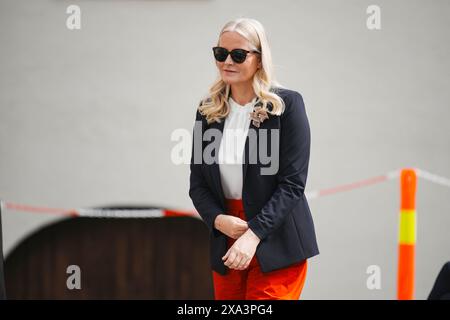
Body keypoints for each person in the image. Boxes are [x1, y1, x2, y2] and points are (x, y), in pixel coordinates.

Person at [189, 17, 319, 300]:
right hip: (227, 237)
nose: (227, 62)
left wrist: (253, 235)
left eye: (238, 54)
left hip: (277, 236)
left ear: (260, 59)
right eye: (220, 54)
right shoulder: (208, 111)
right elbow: (198, 183)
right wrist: (218, 220)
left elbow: (292, 184)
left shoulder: (287, 105)